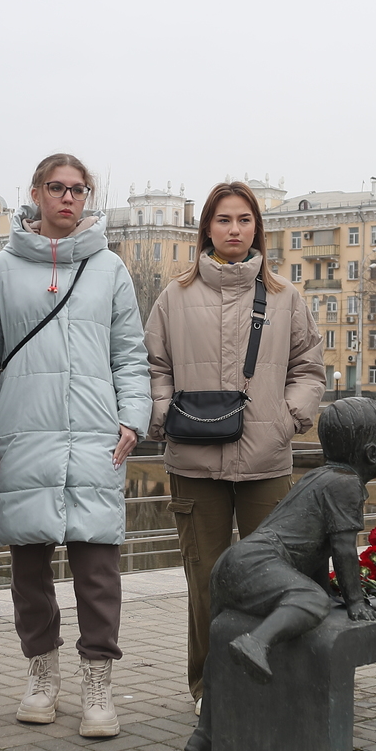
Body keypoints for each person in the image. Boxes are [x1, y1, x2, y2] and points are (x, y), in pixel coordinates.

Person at [0, 153, 150, 738]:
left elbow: (129, 355)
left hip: (96, 434)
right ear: (37, 192)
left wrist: (133, 419)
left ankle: (98, 680)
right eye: (56, 188)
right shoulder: (0, 270)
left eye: (78, 189)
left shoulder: (110, 269)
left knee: (98, 565)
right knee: (28, 563)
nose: (67, 198)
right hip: (23, 432)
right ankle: (41, 672)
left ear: (88, 196)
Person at [143, 181, 324, 713]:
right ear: (207, 228)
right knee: (205, 580)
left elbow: (309, 369)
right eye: (224, 220)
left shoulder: (287, 297)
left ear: (257, 229)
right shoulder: (174, 296)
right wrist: (162, 411)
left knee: (277, 579)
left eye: (244, 220)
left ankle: (280, 680)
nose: (235, 230)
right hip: (194, 461)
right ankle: (211, 688)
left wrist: (287, 418)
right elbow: (153, 365)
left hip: (266, 460)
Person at [184, 396, 376, 751]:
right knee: (311, 602)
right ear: (373, 452)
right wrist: (355, 602)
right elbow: (343, 549)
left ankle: (207, 737)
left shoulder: (320, 476)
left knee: (217, 650)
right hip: (258, 562)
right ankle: (256, 643)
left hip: (236, 561)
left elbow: (314, 549)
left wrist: (331, 589)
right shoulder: (346, 485)